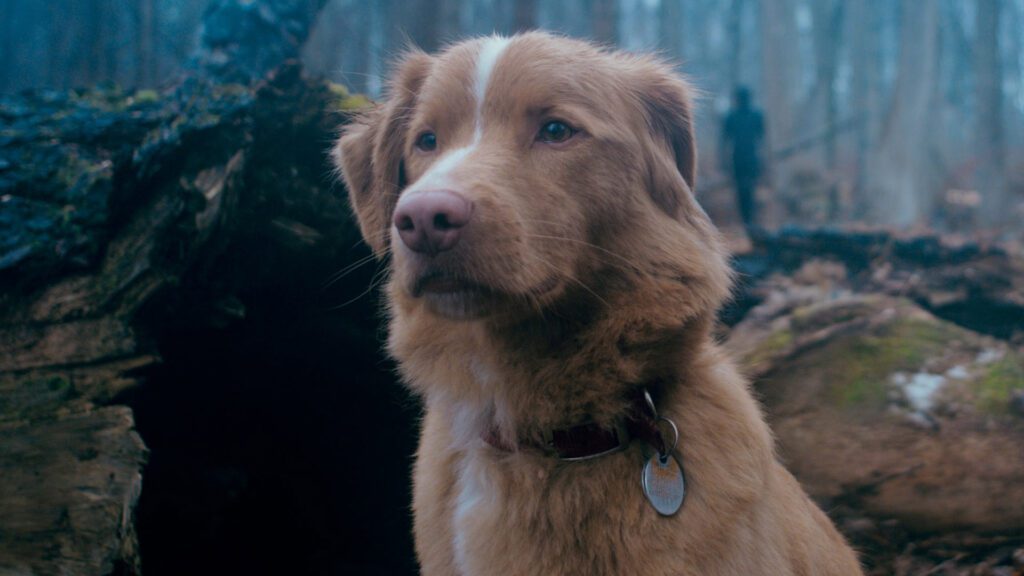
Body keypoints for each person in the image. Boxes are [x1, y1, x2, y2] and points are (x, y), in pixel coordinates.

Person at [720, 86, 765, 232]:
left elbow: (724, 142)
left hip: (744, 158)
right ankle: (748, 221)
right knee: (745, 190)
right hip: (746, 157)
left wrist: (723, 161)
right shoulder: (752, 116)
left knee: (745, 190)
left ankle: (748, 220)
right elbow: (724, 141)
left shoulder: (735, 116)